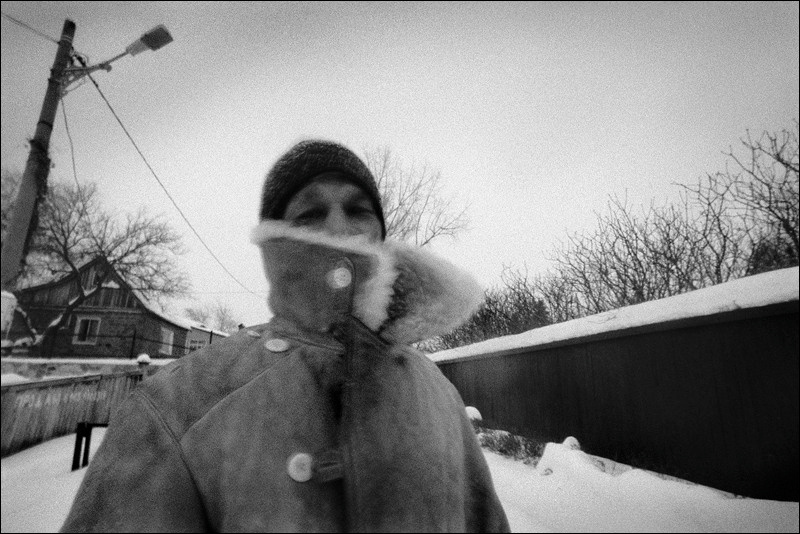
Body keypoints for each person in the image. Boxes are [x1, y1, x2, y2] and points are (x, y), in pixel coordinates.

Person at [61, 139, 510, 533]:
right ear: (274, 237)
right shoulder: (179, 404)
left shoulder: (437, 394)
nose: (338, 227)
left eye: (357, 209)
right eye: (311, 212)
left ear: (381, 235)